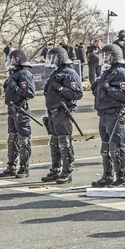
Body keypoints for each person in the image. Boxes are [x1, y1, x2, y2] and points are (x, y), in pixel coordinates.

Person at [90, 44, 125, 187]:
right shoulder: (107, 72)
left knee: (116, 147)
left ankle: (121, 177)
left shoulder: (121, 72)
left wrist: (110, 89)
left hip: (114, 114)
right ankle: (107, 176)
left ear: (115, 56)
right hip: (103, 114)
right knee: (105, 148)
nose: (105, 58)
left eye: (107, 55)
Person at [41, 47, 84, 184]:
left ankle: (67, 171)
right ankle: (55, 169)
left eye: (54, 57)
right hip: (53, 113)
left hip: (62, 113)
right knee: (54, 143)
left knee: (64, 143)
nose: (51, 60)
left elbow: (77, 93)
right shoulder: (56, 72)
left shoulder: (69, 73)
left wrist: (60, 88)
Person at [0, 50, 35, 178]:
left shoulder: (24, 74)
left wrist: (15, 88)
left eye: (14, 59)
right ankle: (11, 166)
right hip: (12, 110)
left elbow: (30, 92)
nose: (12, 62)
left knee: (23, 140)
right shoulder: (14, 74)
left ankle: (24, 167)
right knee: (12, 139)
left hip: (21, 110)